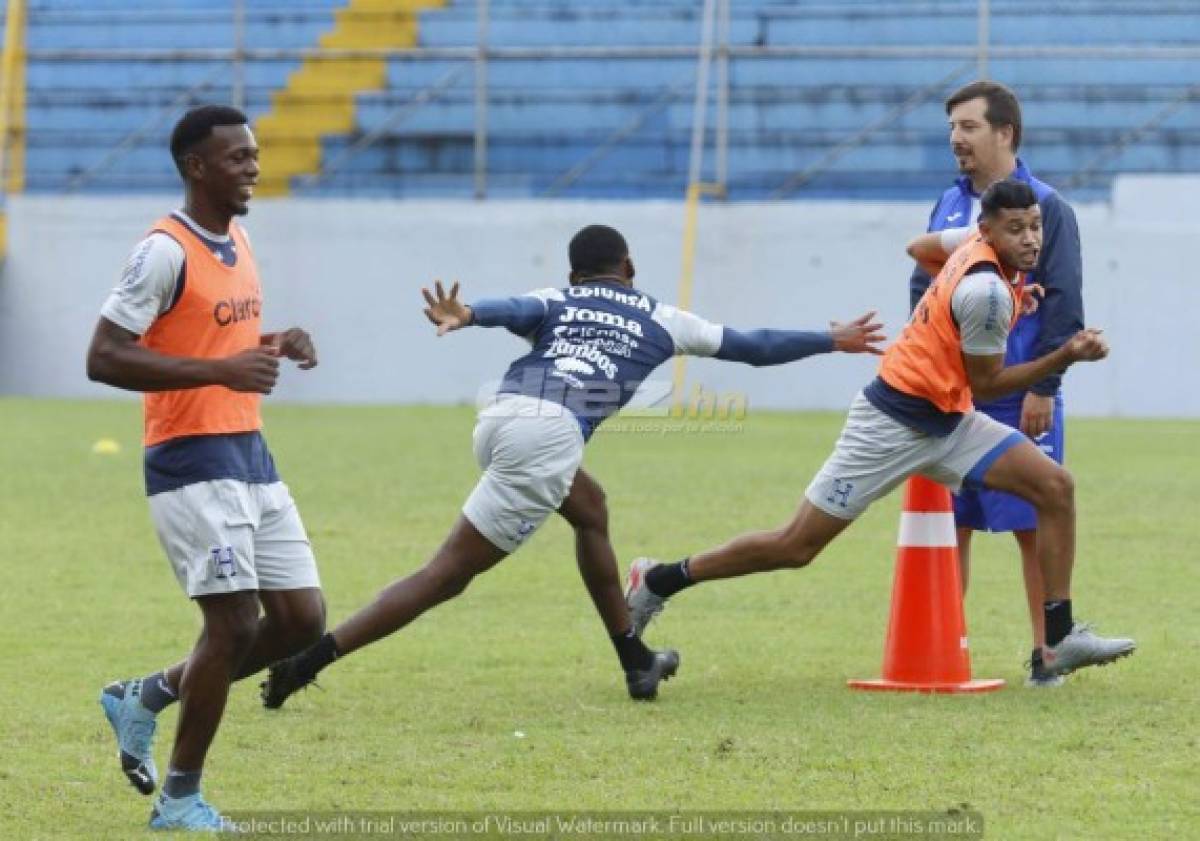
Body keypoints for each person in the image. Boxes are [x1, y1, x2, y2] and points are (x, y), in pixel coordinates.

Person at [258, 224, 886, 710]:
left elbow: (507, 307)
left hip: (500, 414)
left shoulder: (556, 298)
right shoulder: (662, 317)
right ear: (630, 269)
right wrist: (831, 340)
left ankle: (636, 661)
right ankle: (311, 659)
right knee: (445, 576)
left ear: (574, 273)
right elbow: (753, 348)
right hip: (549, 438)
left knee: (590, 508)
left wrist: (467, 313)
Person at [626, 180, 1135, 681]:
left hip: (947, 418)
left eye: (1036, 227)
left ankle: (1057, 641)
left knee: (1055, 486)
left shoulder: (972, 247)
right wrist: (1066, 354)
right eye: (1016, 229)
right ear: (988, 229)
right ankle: (658, 579)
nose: (1030, 239)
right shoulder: (986, 294)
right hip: (891, 424)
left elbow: (919, 248)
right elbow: (990, 383)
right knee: (794, 546)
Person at [87, 105, 325, 831]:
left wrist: (275, 339)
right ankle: (180, 798)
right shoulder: (162, 250)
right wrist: (221, 369)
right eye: (237, 158)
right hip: (190, 460)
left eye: (253, 155)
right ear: (197, 167)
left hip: (248, 451)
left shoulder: (238, 237)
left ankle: (148, 696)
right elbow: (103, 355)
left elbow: (215, 331)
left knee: (301, 618)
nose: (253, 166)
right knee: (233, 625)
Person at [907, 81, 1085, 687]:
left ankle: (1048, 655)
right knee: (947, 523)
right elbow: (921, 289)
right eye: (953, 128)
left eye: (969, 127)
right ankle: (941, 648)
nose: (957, 138)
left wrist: (1046, 387)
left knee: (1031, 525)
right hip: (950, 397)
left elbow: (1063, 302)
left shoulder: (1046, 205)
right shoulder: (948, 205)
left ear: (1005, 132)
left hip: (1018, 395)